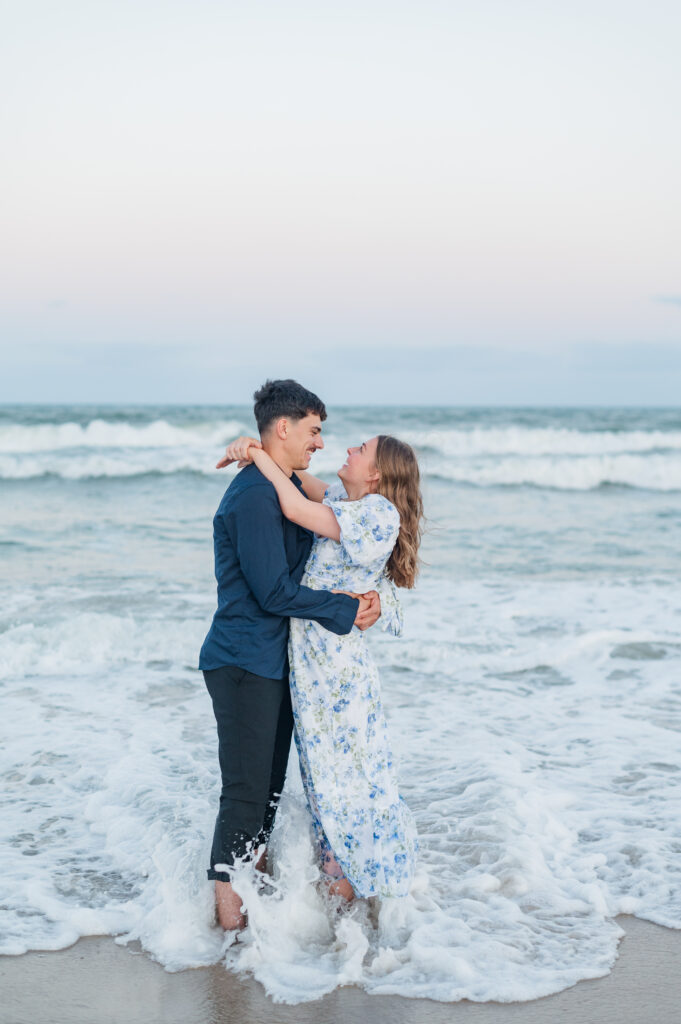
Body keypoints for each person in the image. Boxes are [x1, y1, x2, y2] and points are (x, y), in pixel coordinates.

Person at [199, 380, 383, 931]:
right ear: (285, 427)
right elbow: (272, 592)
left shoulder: (282, 487)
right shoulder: (254, 497)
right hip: (241, 663)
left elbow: (334, 508)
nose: (320, 442)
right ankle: (229, 930)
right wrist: (342, 609)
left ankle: (248, 920)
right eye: (313, 429)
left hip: (272, 663)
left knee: (267, 796)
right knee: (245, 796)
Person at [220, 430, 423, 901]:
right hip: (312, 667)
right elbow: (298, 480)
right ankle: (344, 916)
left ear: (376, 474)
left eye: (361, 449)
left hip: (336, 672)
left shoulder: (377, 514)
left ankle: (358, 905)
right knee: (324, 786)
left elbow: (292, 506)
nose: (347, 449)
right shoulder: (344, 501)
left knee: (344, 787)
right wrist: (263, 448)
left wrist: (251, 452)